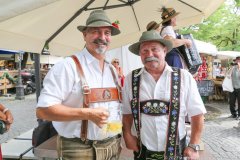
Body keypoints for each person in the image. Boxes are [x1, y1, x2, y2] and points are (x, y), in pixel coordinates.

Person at [36, 10, 122, 160]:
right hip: (78, 150)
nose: (102, 37)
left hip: (112, 146)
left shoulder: (112, 70)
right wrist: (87, 114)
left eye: (107, 32)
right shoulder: (67, 67)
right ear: (84, 35)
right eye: (96, 31)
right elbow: (43, 111)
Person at [122, 30, 206, 160]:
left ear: (165, 51)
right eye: (144, 51)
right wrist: (127, 134)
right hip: (143, 151)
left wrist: (193, 145)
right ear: (140, 54)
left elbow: (197, 113)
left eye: (154, 49)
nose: (149, 54)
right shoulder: (131, 78)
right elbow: (127, 112)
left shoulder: (184, 77)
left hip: (177, 151)